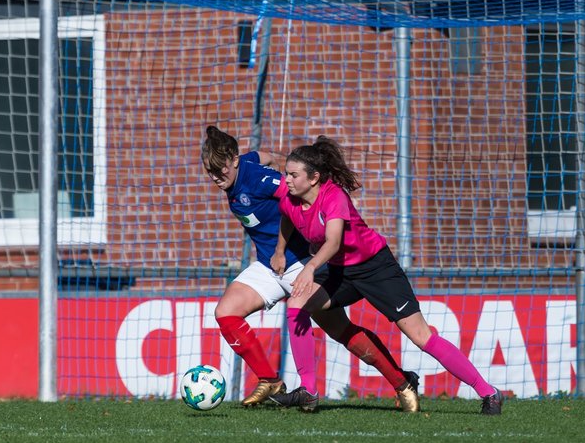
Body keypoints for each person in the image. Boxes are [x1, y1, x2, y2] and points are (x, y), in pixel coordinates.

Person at [270, 136, 505, 415]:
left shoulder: (334, 196)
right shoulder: (290, 198)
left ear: (314, 178)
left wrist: (309, 267)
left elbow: (333, 241)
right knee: (296, 304)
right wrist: (280, 251)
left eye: (293, 175)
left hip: (376, 268)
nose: (287, 180)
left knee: (421, 337)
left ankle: (488, 392)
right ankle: (308, 391)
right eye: (286, 173)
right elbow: (287, 217)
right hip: (340, 271)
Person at [201, 126, 421, 412]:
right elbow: (263, 155)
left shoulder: (257, 178)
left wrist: (291, 235)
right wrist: (272, 157)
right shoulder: (246, 164)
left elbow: (290, 194)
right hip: (270, 265)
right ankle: (270, 380)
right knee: (225, 312)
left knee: (341, 331)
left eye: (221, 171)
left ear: (233, 159)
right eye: (211, 173)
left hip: (300, 263)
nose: (217, 178)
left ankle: (401, 382)